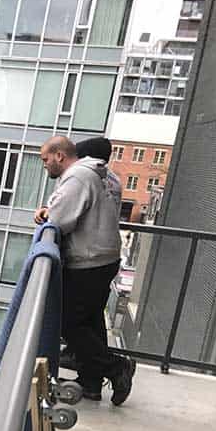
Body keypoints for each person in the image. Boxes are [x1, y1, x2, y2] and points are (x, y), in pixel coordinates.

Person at [35, 135, 135, 405]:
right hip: (104, 257)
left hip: (88, 260)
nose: (44, 165)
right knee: (90, 320)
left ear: (59, 156)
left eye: (45, 159)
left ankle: (116, 366)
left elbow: (59, 219)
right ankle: (91, 381)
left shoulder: (77, 177)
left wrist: (46, 214)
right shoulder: (102, 175)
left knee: (68, 321)